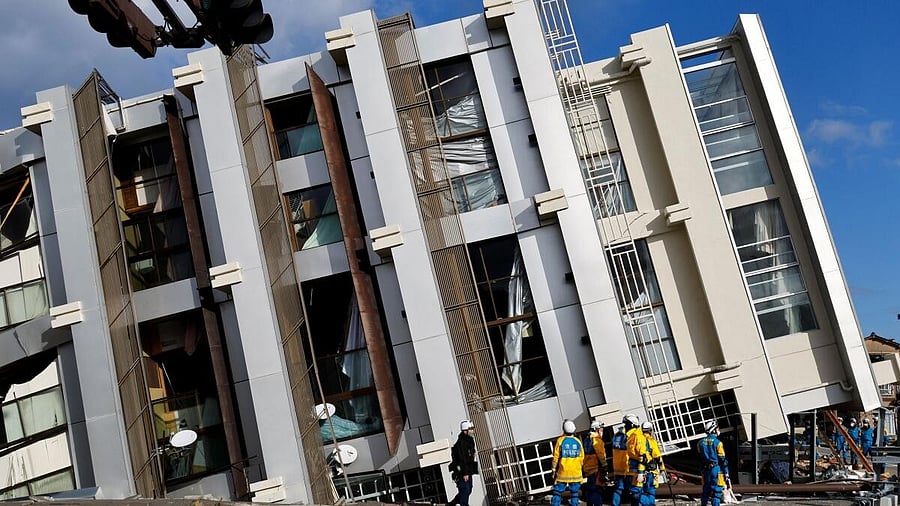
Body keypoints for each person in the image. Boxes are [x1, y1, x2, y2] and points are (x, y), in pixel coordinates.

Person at [551, 419, 585, 506]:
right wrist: (579, 467)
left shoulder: (560, 441)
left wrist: (554, 469)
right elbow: (582, 457)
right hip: (575, 472)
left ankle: (555, 504)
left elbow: (556, 457)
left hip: (563, 472)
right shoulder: (578, 441)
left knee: (557, 492)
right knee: (574, 493)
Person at [697, 420, 729, 506]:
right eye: (717, 428)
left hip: (705, 470)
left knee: (705, 492)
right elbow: (722, 459)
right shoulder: (718, 443)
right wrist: (726, 472)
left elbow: (700, 458)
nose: (718, 430)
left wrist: (702, 471)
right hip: (716, 470)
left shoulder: (700, 443)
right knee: (716, 493)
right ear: (713, 430)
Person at [610, 414, 640, 506]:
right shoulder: (632, 435)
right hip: (628, 467)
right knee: (635, 490)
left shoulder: (616, 435)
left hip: (618, 468)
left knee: (618, 489)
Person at [448, 420, 478, 506]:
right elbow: (461, 459)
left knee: (469, 489)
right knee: (464, 489)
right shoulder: (461, 443)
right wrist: (464, 473)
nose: (472, 431)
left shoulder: (469, 441)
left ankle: (452, 503)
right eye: (470, 429)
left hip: (468, 470)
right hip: (461, 471)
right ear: (465, 430)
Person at [582, 419, 607, 506]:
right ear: (596, 429)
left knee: (590, 490)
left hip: (588, 468)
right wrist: (605, 466)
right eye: (601, 429)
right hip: (596, 468)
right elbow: (600, 454)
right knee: (597, 489)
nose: (602, 431)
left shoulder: (587, 439)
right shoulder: (597, 440)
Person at [625, 415, 649, 506]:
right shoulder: (630, 436)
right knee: (633, 495)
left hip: (638, 470)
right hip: (632, 470)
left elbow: (642, 456)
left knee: (636, 493)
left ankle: (649, 504)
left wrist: (640, 472)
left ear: (632, 425)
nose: (625, 427)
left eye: (626, 424)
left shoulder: (637, 436)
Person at [640, 422, 664, 506]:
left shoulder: (639, 441)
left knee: (641, 491)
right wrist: (662, 468)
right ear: (650, 430)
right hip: (650, 472)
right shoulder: (652, 442)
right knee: (651, 492)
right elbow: (657, 456)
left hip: (640, 472)